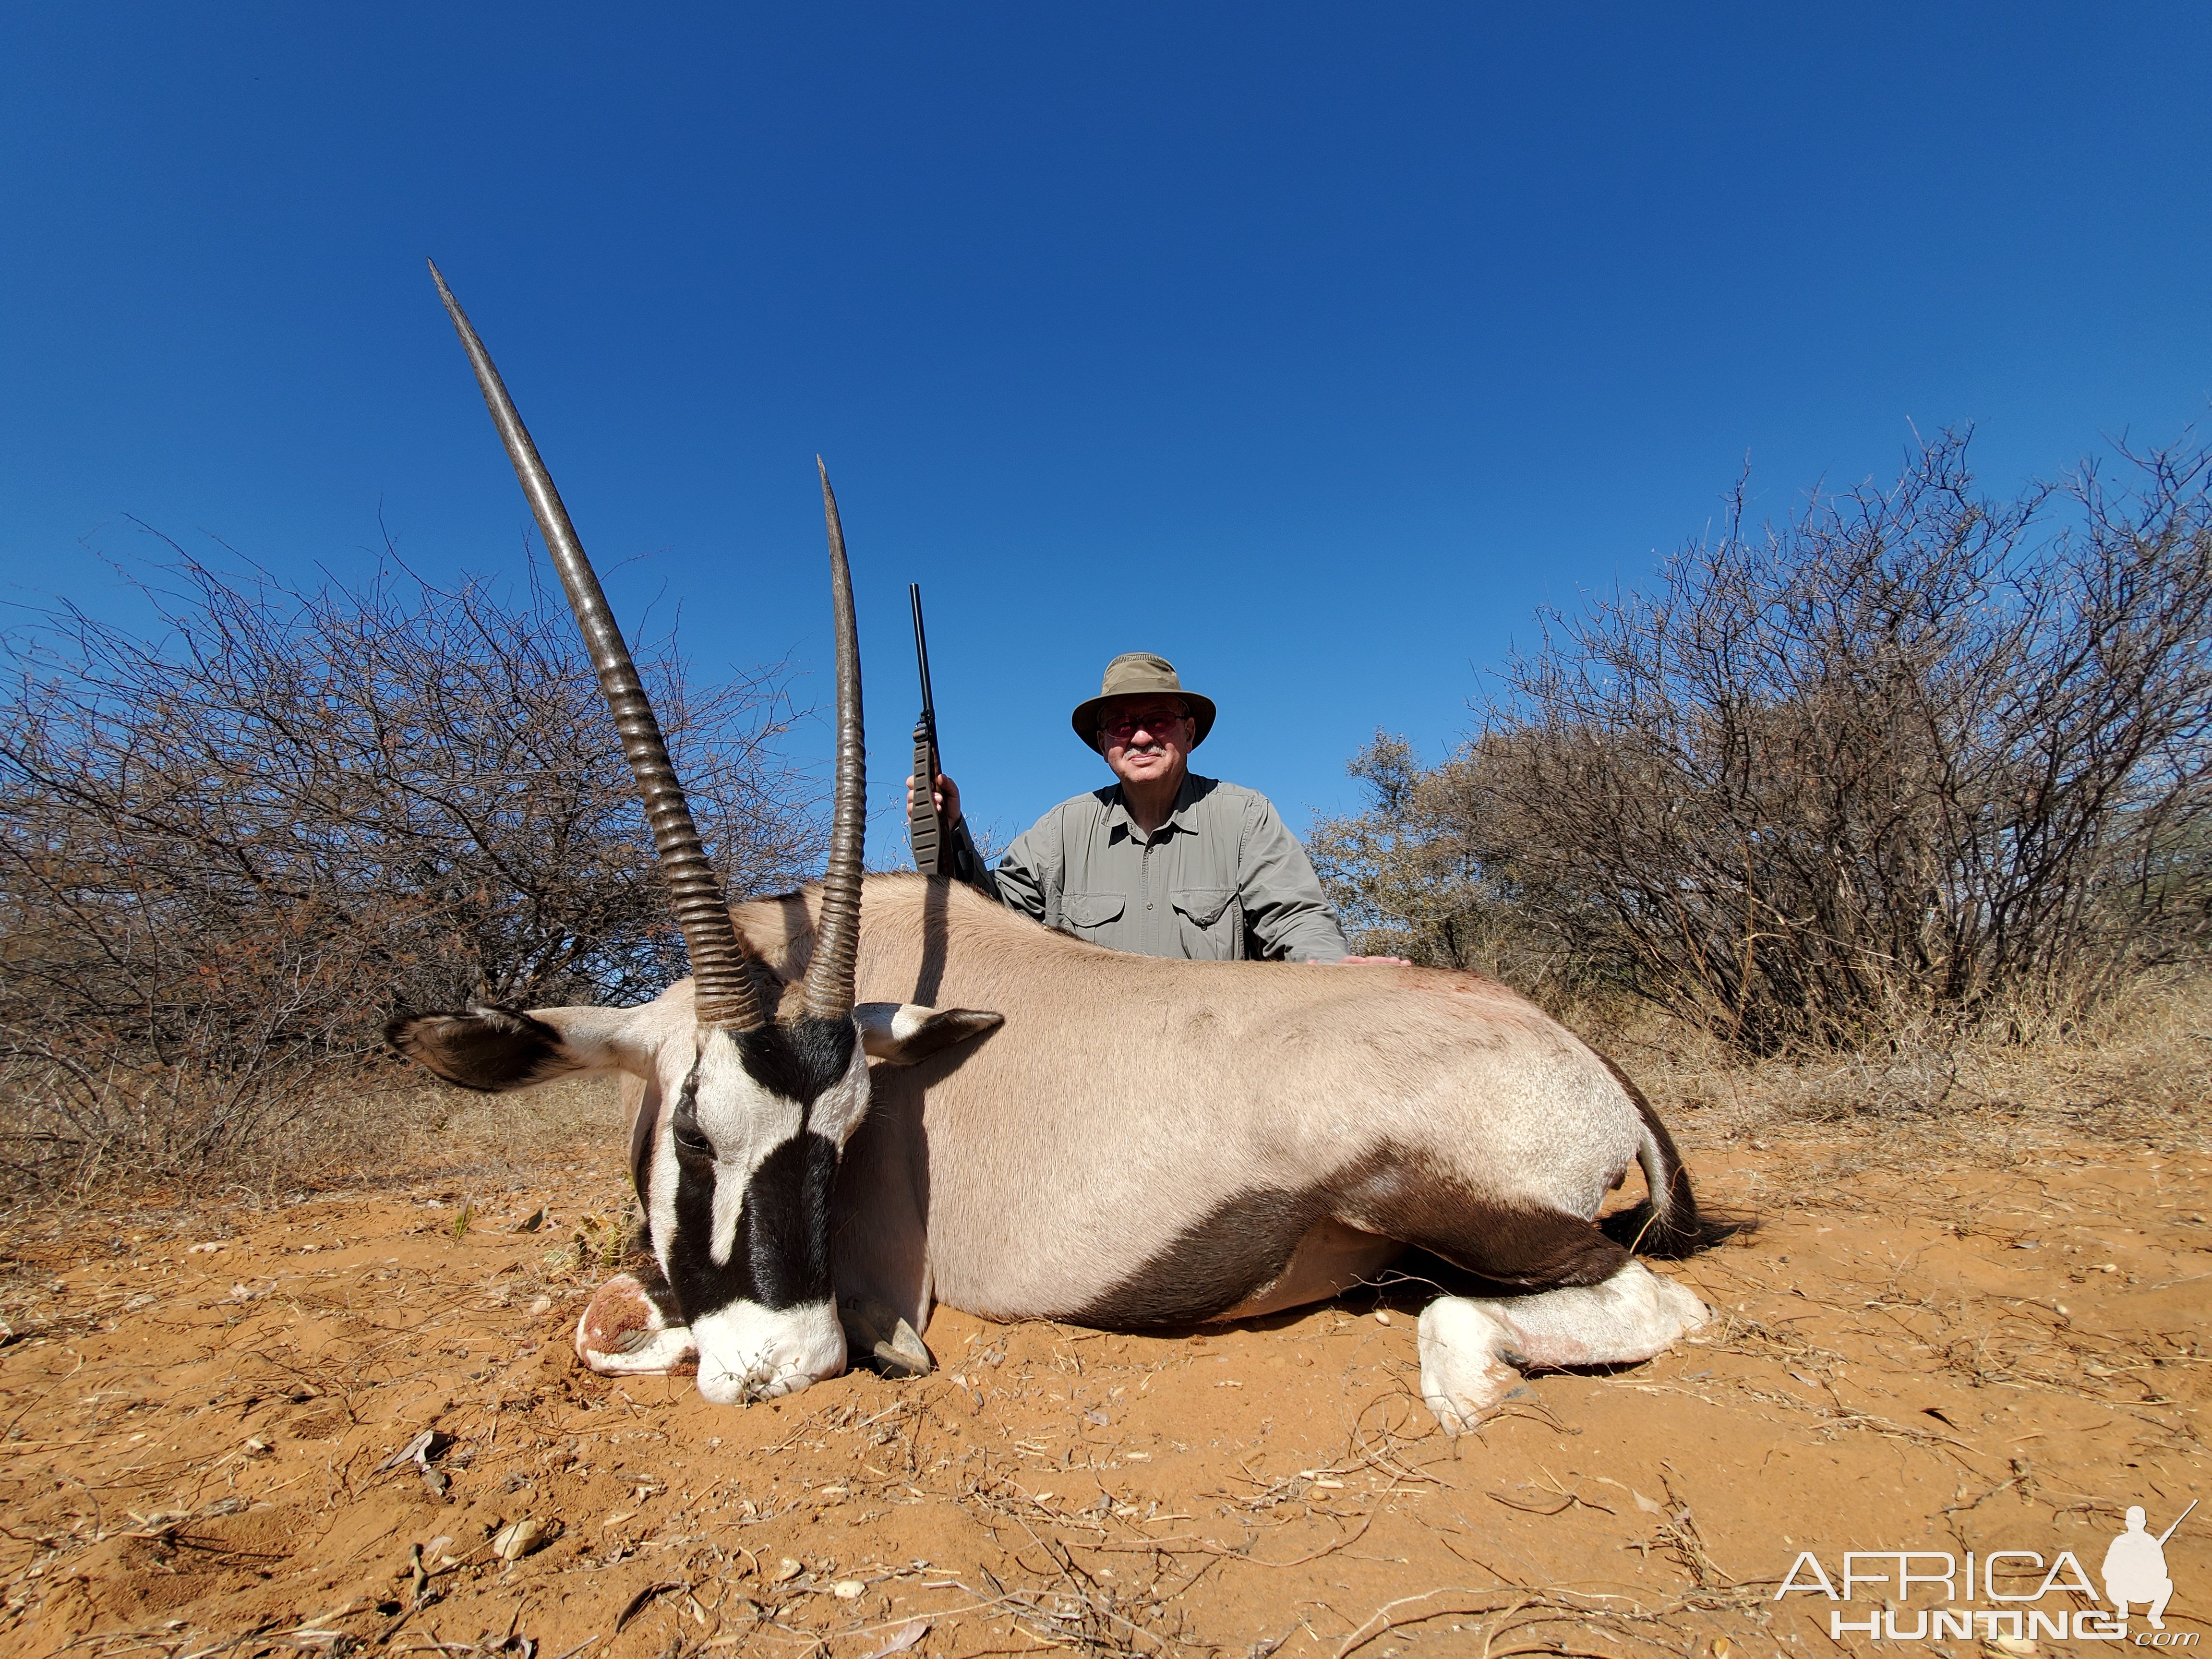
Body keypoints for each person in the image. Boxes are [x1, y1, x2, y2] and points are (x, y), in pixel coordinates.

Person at [911, 650, 1404, 964]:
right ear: (1103, 743)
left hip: (1214, 1067)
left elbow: (1297, 918)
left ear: (1189, 733)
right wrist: (953, 830)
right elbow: (993, 919)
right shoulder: (1061, 830)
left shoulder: (1243, 817)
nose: (1141, 735)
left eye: (1158, 719)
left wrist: (1333, 971)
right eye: (1122, 724)